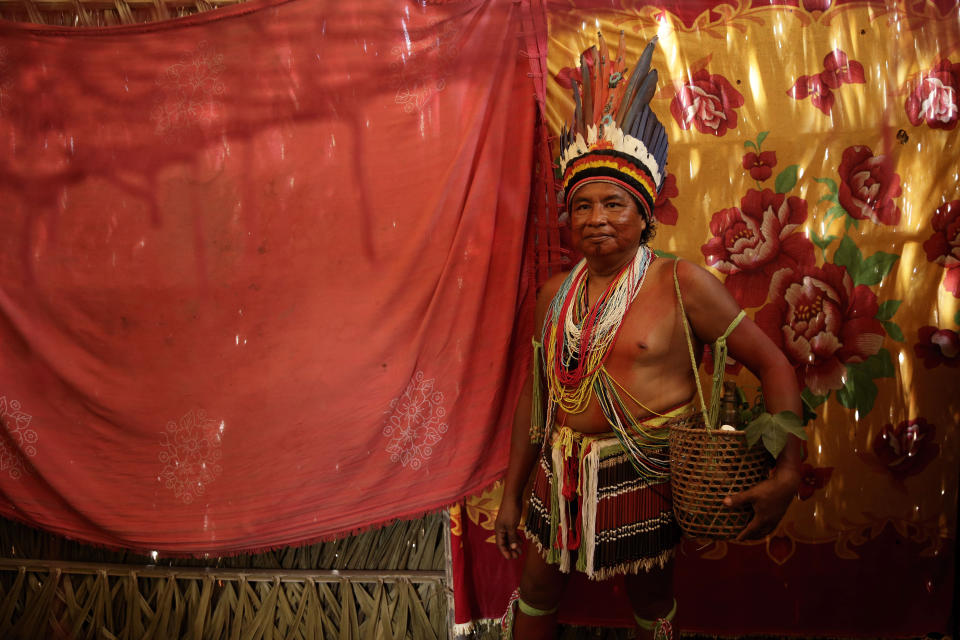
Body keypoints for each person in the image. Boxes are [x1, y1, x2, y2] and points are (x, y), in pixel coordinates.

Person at [493, 33, 803, 640]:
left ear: (643, 213)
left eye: (614, 204)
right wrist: (510, 496)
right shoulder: (553, 297)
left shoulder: (683, 282)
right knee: (535, 588)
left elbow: (774, 365)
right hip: (561, 473)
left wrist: (788, 470)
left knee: (652, 597)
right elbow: (536, 400)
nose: (597, 219)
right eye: (582, 206)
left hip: (646, 474)